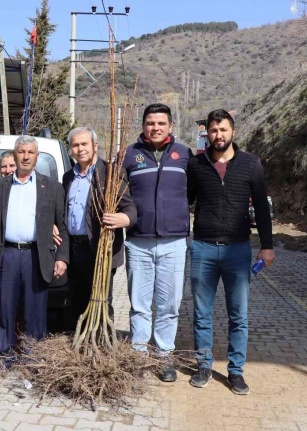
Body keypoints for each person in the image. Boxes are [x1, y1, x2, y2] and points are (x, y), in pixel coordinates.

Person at [187, 109, 275, 395]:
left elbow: (261, 207)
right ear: (207, 133)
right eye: (213, 130)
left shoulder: (251, 164)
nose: (218, 135)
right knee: (202, 313)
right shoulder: (196, 164)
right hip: (203, 248)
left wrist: (267, 246)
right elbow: (184, 201)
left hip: (238, 250)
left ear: (232, 131)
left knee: (239, 315)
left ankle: (235, 371)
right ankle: (203, 365)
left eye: (223, 129)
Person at [0, 135, 68, 366]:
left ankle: (33, 355)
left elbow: (63, 225)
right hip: (5, 255)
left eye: (30, 152)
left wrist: (62, 258)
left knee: (35, 308)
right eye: (21, 152)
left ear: (36, 156)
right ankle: (4, 355)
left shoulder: (52, 187)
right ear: (14, 155)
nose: (26, 156)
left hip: (36, 255)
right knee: (3, 307)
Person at [122, 103, 193, 382]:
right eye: (150, 123)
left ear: (170, 126)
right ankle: (138, 356)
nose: (155, 128)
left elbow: (196, 191)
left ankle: (164, 356)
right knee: (139, 304)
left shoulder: (185, 155)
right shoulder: (129, 154)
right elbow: (117, 193)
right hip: (138, 242)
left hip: (174, 242)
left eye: (161, 123)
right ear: (143, 126)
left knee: (169, 305)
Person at [57, 127, 137, 324]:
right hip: (74, 248)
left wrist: (124, 219)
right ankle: (79, 341)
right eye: (75, 145)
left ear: (95, 146)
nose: (80, 149)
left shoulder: (110, 173)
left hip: (100, 248)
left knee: (101, 300)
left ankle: (100, 341)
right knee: (77, 299)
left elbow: (129, 207)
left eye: (84, 144)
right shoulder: (68, 177)